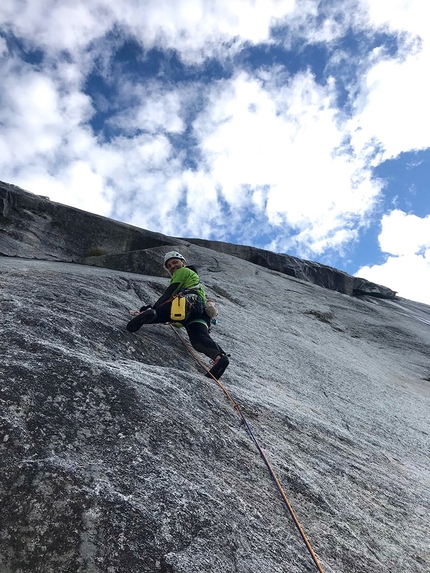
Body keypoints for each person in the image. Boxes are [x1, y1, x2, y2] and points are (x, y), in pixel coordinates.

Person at [126, 251, 229, 379]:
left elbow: (169, 292)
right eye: (169, 266)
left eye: (175, 262)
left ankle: (151, 315)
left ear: (183, 263)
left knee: (160, 312)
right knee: (198, 340)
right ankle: (220, 357)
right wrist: (176, 323)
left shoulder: (183, 272)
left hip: (188, 302)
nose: (172, 266)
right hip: (200, 314)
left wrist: (154, 307)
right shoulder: (197, 282)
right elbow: (184, 316)